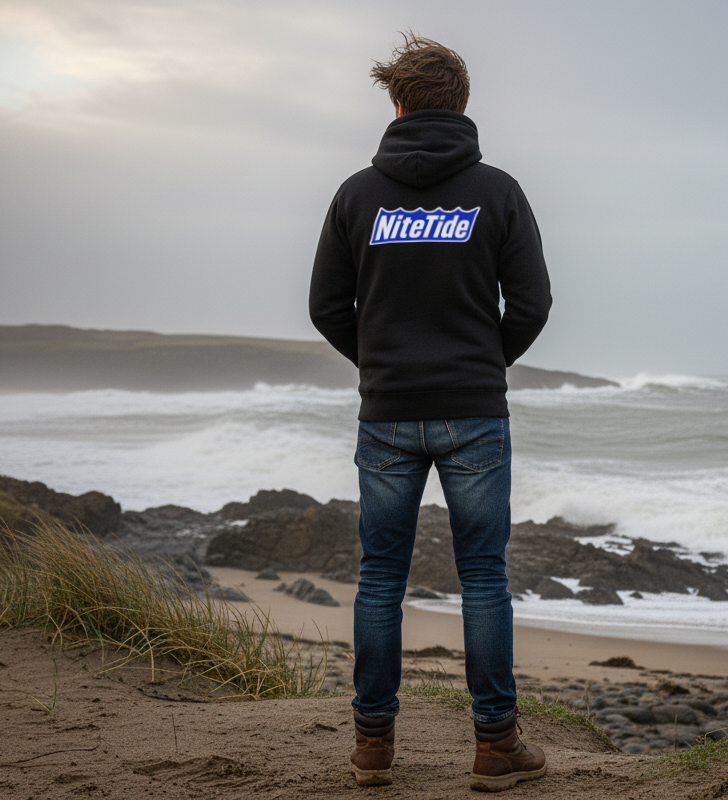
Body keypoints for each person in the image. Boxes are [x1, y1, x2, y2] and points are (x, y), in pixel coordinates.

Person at [309, 33, 552, 792]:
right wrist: (483, 365)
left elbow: (326, 308)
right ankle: (494, 747)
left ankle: (372, 748)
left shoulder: (357, 194)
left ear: (398, 102)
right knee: (483, 577)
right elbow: (534, 303)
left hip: (386, 416)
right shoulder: (498, 191)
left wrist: (383, 368)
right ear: (463, 103)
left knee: (381, 577)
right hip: (474, 413)